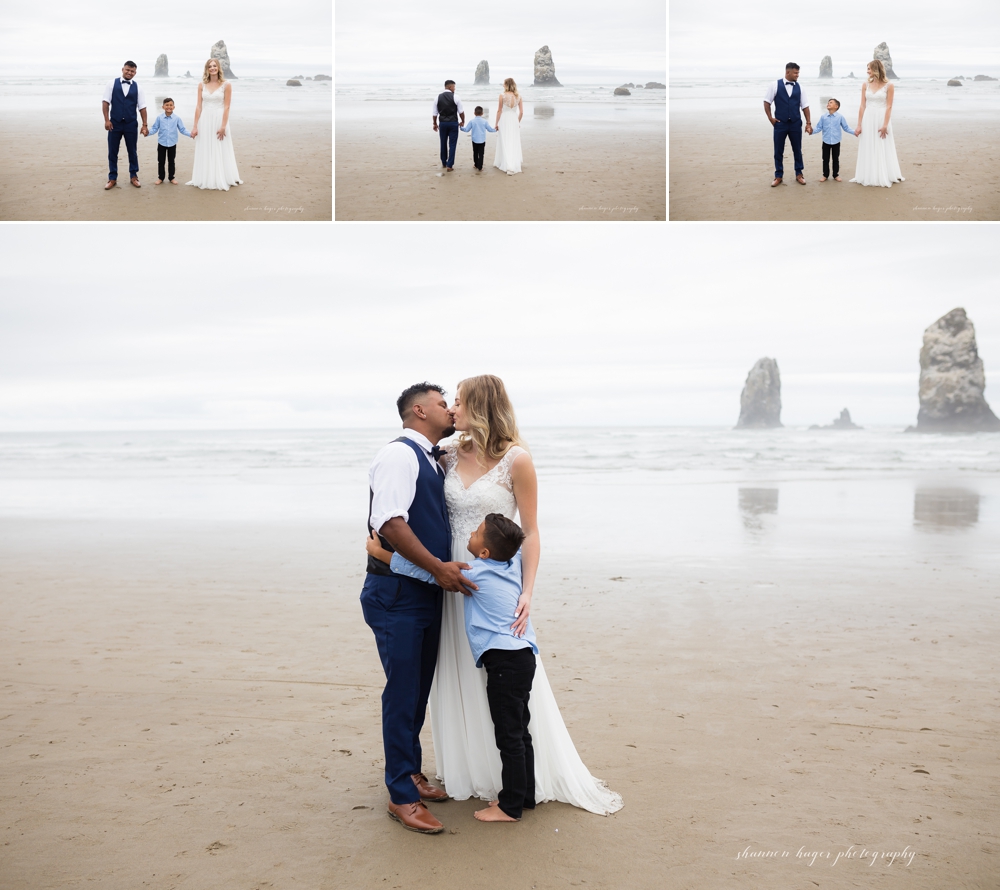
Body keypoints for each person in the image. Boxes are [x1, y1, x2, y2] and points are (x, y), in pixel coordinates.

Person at [367, 374, 623, 816]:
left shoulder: (516, 460)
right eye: (448, 402)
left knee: (504, 672)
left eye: (459, 402)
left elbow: (532, 531)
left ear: (480, 406)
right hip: (444, 576)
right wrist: (390, 555)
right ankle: (466, 769)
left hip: (493, 585)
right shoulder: (445, 454)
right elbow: (404, 505)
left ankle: (515, 781)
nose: (452, 409)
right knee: (452, 671)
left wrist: (527, 592)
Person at [368, 513, 539, 823]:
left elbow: (428, 574)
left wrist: (380, 554)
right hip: (524, 657)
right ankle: (524, 795)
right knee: (519, 730)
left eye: (476, 533)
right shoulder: (511, 566)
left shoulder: (476, 573)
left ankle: (510, 807)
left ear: (484, 552)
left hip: (504, 662)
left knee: (508, 735)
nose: (470, 534)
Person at [361, 383, 478, 835]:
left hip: (422, 588)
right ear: (418, 409)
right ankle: (401, 795)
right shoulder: (398, 455)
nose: (449, 408)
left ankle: (410, 771)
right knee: (403, 691)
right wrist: (440, 569)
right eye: (442, 402)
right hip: (397, 593)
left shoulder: (429, 455)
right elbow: (389, 522)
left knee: (417, 690)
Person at [187, 59, 242, 191]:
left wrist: (223, 126)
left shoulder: (226, 85)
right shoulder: (201, 85)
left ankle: (223, 177)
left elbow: (227, 106)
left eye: (214, 66)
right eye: (210, 66)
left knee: (220, 147)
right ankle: (205, 177)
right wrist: (195, 126)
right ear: (207, 69)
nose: (212, 68)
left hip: (219, 119)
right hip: (205, 120)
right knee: (206, 147)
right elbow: (199, 107)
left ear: (218, 68)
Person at [850, 59, 905, 188]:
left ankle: (884, 174)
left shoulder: (889, 85)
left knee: (882, 145)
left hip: (882, 118)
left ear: (876, 69)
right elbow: (862, 105)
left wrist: (885, 125)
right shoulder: (865, 85)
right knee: (868, 144)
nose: (867, 71)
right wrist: (859, 124)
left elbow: (889, 106)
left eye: (869, 68)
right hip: (868, 118)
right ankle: (868, 174)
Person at [763, 63, 813, 187]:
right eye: (796, 73)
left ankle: (799, 174)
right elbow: (767, 102)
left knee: (797, 149)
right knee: (778, 150)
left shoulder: (800, 88)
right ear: (788, 72)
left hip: (795, 124)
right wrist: (770, 118)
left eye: (798, 73)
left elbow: (805, 106)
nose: (797, 75)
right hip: (780, 124)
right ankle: (778, 175)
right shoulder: (774, 85)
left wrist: (808, 123)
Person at [102, 60, 148, 190]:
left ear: (135, 73)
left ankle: (134, 176)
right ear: (123, 69)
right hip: (114, 124)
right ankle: (112, 178)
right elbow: (105, 103)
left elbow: (142, 107)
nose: (129, 72)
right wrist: (106, 120)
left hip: (131, 124)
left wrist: (144, 125)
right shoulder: (111, 84)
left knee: (132, 151)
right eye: (127, 70)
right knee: (112, 151)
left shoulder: (138, 87)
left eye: (132, 71)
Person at [145, 98, 192, 185]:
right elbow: (154, 128)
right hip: (161, 143)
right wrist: (147, 133)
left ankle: (171, 177)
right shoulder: (159, 118)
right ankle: (161, 178)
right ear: (163, 107)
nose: (169, 107)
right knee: (161, 161)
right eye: (167, 105)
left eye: (170, 105)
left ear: (174, 107)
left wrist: (191, 134)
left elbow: (182, 129)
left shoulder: (177, 118)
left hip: (172, 143)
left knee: (171, 161)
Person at [809, 98, 856, 182]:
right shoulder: (823, 117)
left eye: (831, 103)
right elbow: (819, 127)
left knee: (835, 158)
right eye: (828, 103)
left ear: (836, 106)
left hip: (836, 141)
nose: (828, 104)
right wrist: (811, 131)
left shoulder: (840, 117)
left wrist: (855, 132)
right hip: (826, 141)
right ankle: (825, 175)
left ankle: (835, 175)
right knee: (825, 159)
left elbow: (846, 128)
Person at [432, 80, 465, 172]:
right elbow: (461, 112)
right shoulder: (456, 97)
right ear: (450, 87)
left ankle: (443, 161)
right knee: (452, 144)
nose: (454, 88)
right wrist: (463, 121)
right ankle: (449, 165)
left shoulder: (437, 97)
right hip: (453, 123)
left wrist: (434, 123)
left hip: (442, 123)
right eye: (454, 87)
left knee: (443, 142)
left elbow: (435, 113)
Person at [493, 78, 524, 175]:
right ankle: (513, 162)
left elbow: (499, 110)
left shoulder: (502, 96)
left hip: (505, 119)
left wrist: (496, 124)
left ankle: (507, 164)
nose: (503, 85)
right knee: (513, 140)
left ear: (507, 85)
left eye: (503, 84)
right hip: (514, 119)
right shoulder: (519, 96)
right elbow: (522, 112)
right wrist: (517, 122)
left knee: (505, 140)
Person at [460, 107, 497, 172]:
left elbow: (466, 129)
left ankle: (476, 164)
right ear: (482, 113)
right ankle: (480, 167)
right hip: (482, 140)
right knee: (481, 153)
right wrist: (496, 129)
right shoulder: (485, 121)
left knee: (475, 152)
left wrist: (461, 127)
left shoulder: (472, 121)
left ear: (474, 113)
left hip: (474, 140)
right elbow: (490, 129)